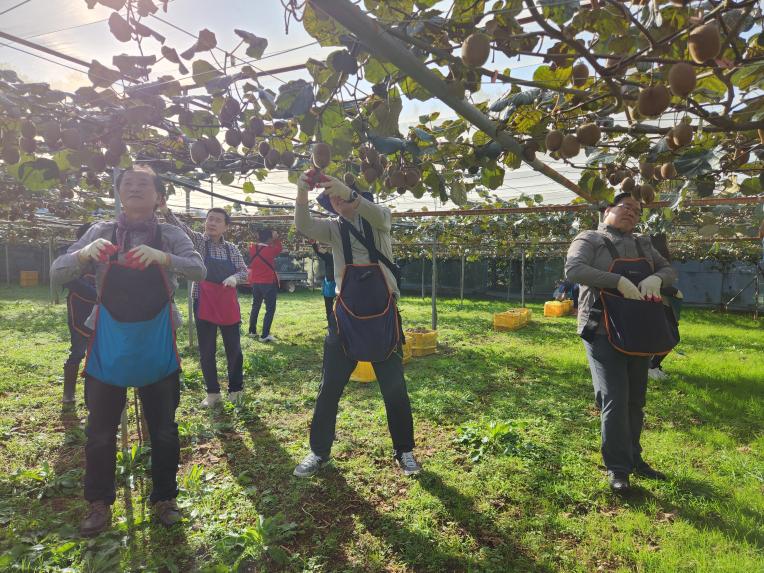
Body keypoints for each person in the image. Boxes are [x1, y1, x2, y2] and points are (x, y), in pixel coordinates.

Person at [50, 165, 206, 536]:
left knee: (164, 429)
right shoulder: (100, 231)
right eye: (127, 184)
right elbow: (58, 271)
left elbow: (199, 270)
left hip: (156, 337)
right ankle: (99, 503)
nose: (135, 188)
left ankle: (165, 498)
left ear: (158, 196)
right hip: (110, 339)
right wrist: (85, 253)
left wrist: (165, 258)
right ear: (119, 193)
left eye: (144, 184)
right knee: (100, 431)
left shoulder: (169, 234)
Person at [292, 170, 420, 478]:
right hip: (345, 319)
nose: (335, 201)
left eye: (340, 195)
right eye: (331, 198)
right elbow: (303, 225)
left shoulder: (378, 221)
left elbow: (380, 215)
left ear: (355, 196)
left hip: (383, 317)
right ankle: (319, 453)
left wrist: (348, 192)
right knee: (329, 388)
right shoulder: (334, 230)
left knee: (394, 389)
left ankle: (405, 451)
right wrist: (302, 193)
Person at [565, 192, 678, 493]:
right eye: (625, 207)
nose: (632, 213)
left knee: (634, 399)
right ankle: (619, 469)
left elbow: (668, 270)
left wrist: (657, 279)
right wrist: (616, 281)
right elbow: (574, 270)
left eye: (637, 211)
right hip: (602, 328)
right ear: (607, 210)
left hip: (637, 329)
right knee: (614, 396)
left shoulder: (644, 243)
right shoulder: (589, 239)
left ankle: (633, 458)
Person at [160, 204, 248, 407]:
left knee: (233, 348)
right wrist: (166, 211)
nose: (212, 223)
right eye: (209, 218)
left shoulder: (231, 249)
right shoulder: (199, 242)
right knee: (206, 350)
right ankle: (212, 393)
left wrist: (235, 278)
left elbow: (244, 271)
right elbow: (183, 229)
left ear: (226, 226)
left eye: (218, 220)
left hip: (226, 304)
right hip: (203, 301)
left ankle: (236, 389)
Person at [61, 222, 97, 405]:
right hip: (80, 307)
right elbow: (70, 280)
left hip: (99, 308)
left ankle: (92, 395)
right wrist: (97, 295)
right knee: (78, 349)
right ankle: (68, 394)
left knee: (97, 351)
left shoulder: (101, 257)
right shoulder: (72, 256)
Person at [647, 234, 683, 381]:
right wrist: (674, 291)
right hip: (657, 303)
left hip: (660, 303)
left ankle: (652, 365)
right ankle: (651, 366)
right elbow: (652, 282)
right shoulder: (654, 257)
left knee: (662, 337)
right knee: (672, 337)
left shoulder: (652, 258)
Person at [247, 228, 282, 342]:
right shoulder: (271, 250)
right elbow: (279, 248)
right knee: (270, 309)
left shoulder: (252, 248)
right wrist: (276, 239)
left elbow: (255, 242)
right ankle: (264, 335)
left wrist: (268, 236)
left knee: (255, 306)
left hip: (256, 283)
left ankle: (252, 332)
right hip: (268, 283)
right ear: (269, 239)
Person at [311, 240, 336, 331]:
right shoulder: (332, 257)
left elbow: (319, 251)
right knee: (330, 306)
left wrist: (314, 243)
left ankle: (333, 325)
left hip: (333, 284)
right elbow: (319, 251)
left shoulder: (330, 257)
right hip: (332, 284)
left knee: (330, 306)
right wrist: (314, 243)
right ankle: (331, 325)